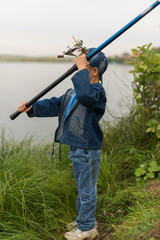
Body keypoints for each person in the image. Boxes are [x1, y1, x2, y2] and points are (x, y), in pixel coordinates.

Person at [18, 48, 108, 240]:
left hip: (88, 150)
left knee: (87, 190)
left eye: (84, 68)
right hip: (76, 148)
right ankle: (84, 218)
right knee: (81, 187)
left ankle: (87, 228)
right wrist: (33, 108)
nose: (78, 69)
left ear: (94, 71)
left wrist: (81, 69)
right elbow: (55, 104)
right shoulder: (75, 92)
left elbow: (87, 97)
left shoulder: (96, 93)